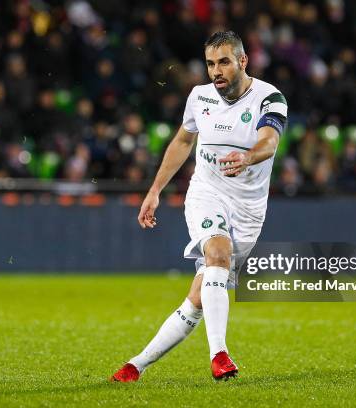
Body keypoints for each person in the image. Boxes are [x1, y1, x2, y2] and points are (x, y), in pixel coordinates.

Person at [111, 31, 287, 382]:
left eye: (223, 62)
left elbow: (269, 142)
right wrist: (155, 189)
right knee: (217, 253)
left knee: (199, 296)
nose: (216, 71)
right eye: (210, 63)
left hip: (249, 209)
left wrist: (249, 156)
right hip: (207, 193)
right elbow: (183, 140)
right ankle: (219, 355)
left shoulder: (269, 98)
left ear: (242, 61)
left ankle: (137, 365)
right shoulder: (199, 97)